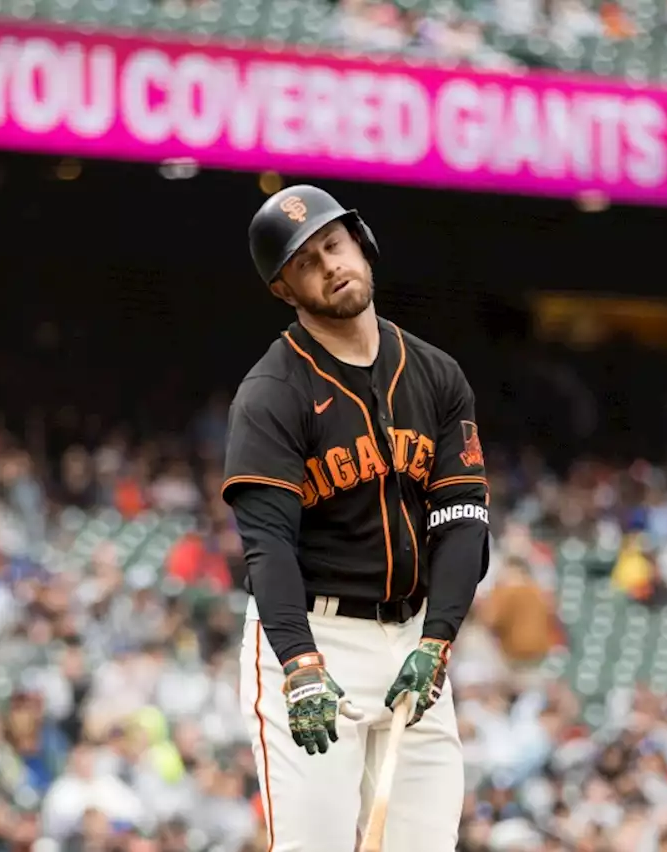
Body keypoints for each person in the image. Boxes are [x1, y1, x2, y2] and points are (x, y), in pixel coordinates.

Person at [224, 185, 490, 851]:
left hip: (413, 641)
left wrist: (438, 640)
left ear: (361, 243)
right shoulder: (271, 395)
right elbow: (268, 548)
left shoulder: (437, 374)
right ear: (285, 290)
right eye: (306, 262)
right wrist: (299, 664)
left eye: (334, 245)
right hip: (317, 639)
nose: (330, 265)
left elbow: (461, 520)